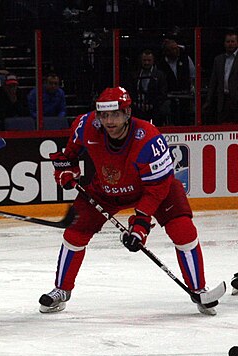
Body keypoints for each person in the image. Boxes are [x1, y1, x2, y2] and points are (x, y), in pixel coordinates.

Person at [40, 87, 219, 316]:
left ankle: (198, 290)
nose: (109, 121)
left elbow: (157, 188)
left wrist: (141, 223)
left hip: (154, 190)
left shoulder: (149, 138)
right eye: (104, 115)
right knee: (74, 234)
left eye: (115, 114)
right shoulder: (85, 125)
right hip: (106, 189)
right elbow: (69, 156)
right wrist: (66, 172)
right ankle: (61, 290)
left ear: (127, 113)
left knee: (183, 230)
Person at [203, 30, 238, 125]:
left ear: (237, 43)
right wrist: (208, 100)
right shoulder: (218, 60)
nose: (230, 44)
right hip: (223, 100)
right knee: (222, 125)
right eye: (228, 42)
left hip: (236, 99)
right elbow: (213, 82)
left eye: (232, 41)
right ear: (224, 43)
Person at [130, 49, 169, 125]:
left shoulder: (160, 75)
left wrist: (152, 105)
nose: (146, 63)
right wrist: (136, 104)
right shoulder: (135, 75)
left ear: (153, 61)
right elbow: (131, 90)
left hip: (155, 110)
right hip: (137, 109)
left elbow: (163, 93)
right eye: (144, 60)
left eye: (149, 60)